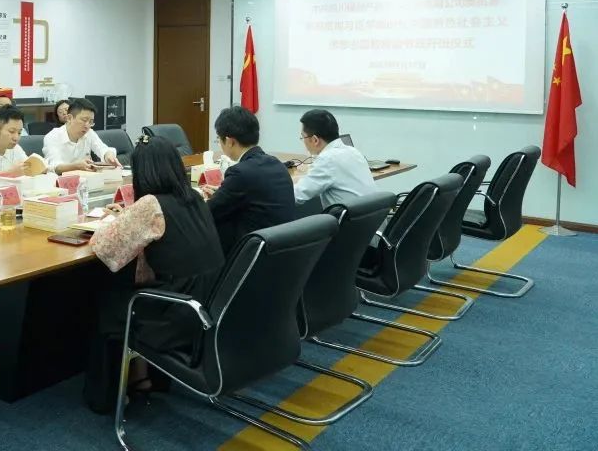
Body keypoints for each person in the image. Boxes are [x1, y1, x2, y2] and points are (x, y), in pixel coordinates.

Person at [84, 136, 223, 414]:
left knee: (109, 299)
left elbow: (103, 247)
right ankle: (142, 376)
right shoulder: (195, 197)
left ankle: (108, 396)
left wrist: (117, 220)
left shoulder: (150, 204)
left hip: (172, 314)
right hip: (206, 305)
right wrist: (129, 215)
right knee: (127, 289)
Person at [202, 107, 298, 254]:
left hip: (252, 253)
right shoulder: (276, 163)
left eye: (218, 139)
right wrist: (222, 193)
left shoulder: (239, 173)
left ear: (230, 141)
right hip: (280, 249)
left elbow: (207, 213)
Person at [294, 109, 378, 208]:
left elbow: (296, 196)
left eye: (303, 137)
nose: (303, 141)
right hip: (372, 215)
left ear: (315, 140)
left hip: (349, 217)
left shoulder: (327, 160)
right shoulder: (353, 151)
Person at [43, 97, 120, 173]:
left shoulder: (89, 133)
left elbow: (102, 148)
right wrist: (76, 166)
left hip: (86, 178)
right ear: (69, 118)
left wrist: (108, 155)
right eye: (84, 120)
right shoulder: (52, 136)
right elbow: (54, 167)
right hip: (60, 179)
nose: (87, 126)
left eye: (91, 122)